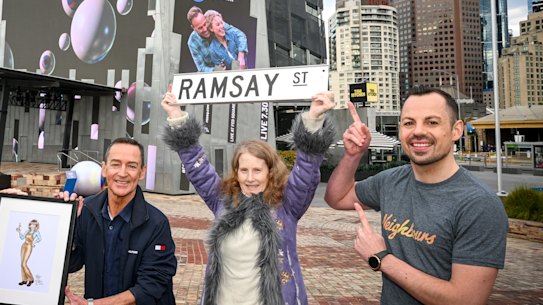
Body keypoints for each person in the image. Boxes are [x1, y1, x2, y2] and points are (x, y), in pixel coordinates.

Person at [324, 86, 508, 305]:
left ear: (456, 130)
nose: (418, 131)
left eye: (432, 122)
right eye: (409, 123)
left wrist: (382, 258)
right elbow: (337, 197)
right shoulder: (390, 181)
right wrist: (353, 155)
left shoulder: (479, 205)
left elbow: (465, 300)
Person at [161, 88, 336, 304]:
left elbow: (306, 172)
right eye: (244, 170)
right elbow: (198, 167)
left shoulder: (287, 205)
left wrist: (313, 119)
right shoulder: (222, 200)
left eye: (257, 170)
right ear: (236, 171)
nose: (250, 178)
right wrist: (176, 116)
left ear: (270, 171)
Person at [64, 137, 177, 305]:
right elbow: (72, 263)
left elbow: (151, 286)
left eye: (131, 166)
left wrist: (94, 304)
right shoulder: (86, 211)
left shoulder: (156, 223)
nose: (123, 173)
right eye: (116, 164)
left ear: (142, 172)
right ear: (104, 169)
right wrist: (63, 223)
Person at [187, 6, 248, 72]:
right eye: (200, 28)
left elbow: (239, 34)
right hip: (214, 74)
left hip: (233, 65)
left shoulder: (215, 23)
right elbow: (201, 68)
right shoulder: (192, 42)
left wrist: (241, 56)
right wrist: (217, 70)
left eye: (205, 24)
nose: (205, 29)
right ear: (193, 28)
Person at [16, 219, 41, 287]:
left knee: (24, 264)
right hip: (23, 245)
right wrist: (19, 232)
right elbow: (22, 237)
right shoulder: (27, 231)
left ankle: (31, 279)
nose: (32, 225)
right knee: (22, 263)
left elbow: (39, 239)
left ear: (36, 225)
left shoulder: (36, 232)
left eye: (34, 224)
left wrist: (34, 242)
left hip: (29, 246)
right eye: (31, 224)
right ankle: (24, 280)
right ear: (30, 225)